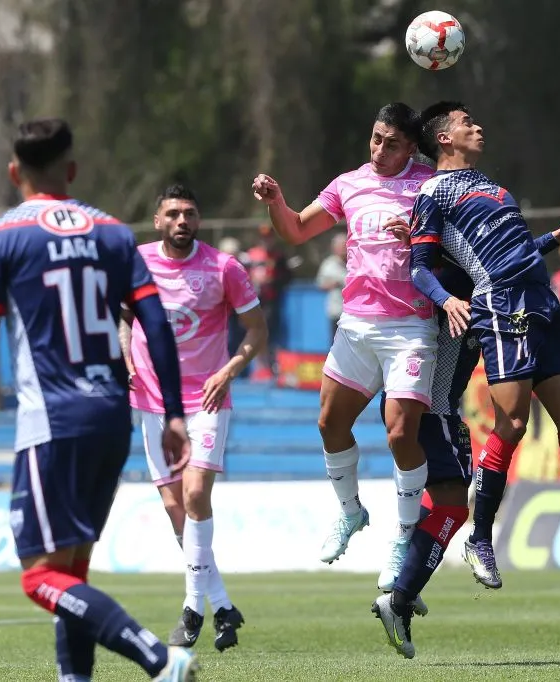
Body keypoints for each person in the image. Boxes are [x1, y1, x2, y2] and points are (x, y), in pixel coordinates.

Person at [0, 118, 199, 682]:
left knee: (39, 577)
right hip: (112, 414)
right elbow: (155, 325)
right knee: (72, 570)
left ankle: (160, 659)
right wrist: (174, 412)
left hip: (52, 418)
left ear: (14, 172)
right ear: (71, 169)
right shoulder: (113, 233)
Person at [406, 101, 560, 591]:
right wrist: (448, 300)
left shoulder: (493, 187)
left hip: (543, 301)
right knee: (514, 423)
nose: (477, 126)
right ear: (444, 138)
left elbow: (516, 252)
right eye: (466, 123)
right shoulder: (433, 193)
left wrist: (557, 238)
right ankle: (479, 537)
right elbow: (419, 265)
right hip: (501, 306)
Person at [251, 103, 439, 592]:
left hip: (410, 327)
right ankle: (351, 511)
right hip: (356, 326)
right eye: (375, 138)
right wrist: (275, 200)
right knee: (329, 423)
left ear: (411, 148)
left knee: (400, 434)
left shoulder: (432, 184)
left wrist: (420, 237)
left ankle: (402, 537)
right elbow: (294, 229)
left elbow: (457, 245)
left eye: (391, 143)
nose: (378, 150)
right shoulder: (349, 183)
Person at [371, 219, 560, 659]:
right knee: (453, 505)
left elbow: (509, 260)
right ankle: (400, 596)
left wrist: (557, 238)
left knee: (444, 501)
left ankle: (406, 578)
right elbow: (507, 263)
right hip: (432, 408)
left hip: (431, 405)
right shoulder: (460, 282)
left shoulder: (459, 277)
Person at [119, 184, 266, 652]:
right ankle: (223, 605)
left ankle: (192, 609)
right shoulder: (136, 261)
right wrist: (123, 359)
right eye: (173, 214)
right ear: (159, 220)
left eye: (190, 213)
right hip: (150, 399)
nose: (183, 221)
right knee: (173, 508)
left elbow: (256, 330)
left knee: (196, 492)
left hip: (204, 398)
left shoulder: (223, 268)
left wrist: (229, 370)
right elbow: (124, 318)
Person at [244, 225, 291, 381]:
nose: (267, 240)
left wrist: (272, 281)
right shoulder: (251, 255)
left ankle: (273, 365)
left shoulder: (279, 256)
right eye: (264, 237)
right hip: (254, 300)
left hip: (272, 300)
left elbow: (287, 277)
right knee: (256, 331)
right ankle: (260, 366)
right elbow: (241, 275)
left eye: (269, 236)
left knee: (271, 332)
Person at [316, 234, 348, 343]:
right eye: (341, 246)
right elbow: (320, 284)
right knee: (337, 343)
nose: (344, 249)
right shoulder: (329, 264)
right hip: (337, 311)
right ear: (334, 248)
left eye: (345, 245)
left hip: (355, 313)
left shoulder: (355, 262)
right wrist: (333, 284)